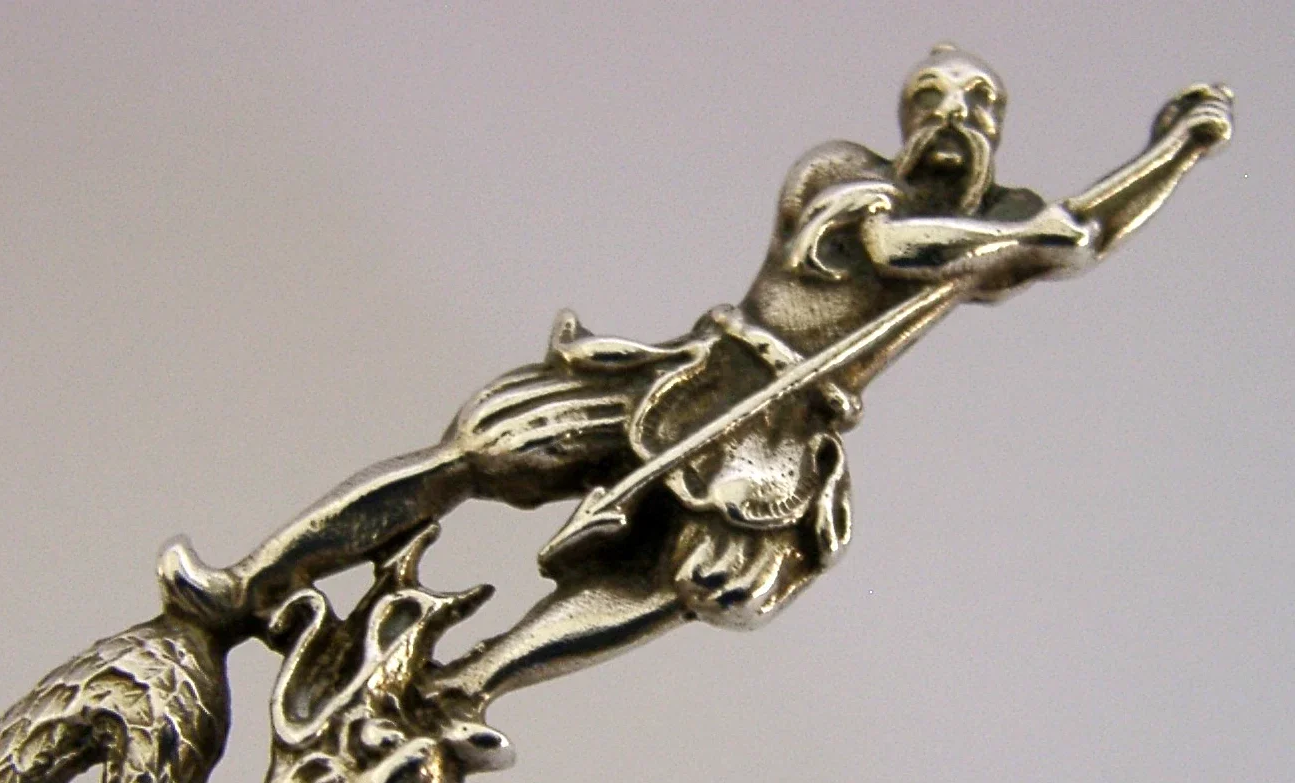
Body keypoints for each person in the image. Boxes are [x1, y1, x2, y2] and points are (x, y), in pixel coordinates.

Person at [159, 45, 1231, 710]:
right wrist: (1028, 240)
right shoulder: (843, 176)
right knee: (480, 453)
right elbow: (900, 248)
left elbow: (1086, 231)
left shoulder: (995, 223)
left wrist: (1173, 153)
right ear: (906, 120)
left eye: (977, 103)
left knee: (689, 581)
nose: (954, 116)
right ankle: (249, 584)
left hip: (784, 434)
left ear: (995, 128)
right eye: (934, 99)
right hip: (705, 370)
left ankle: (469, 683)